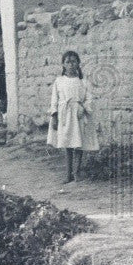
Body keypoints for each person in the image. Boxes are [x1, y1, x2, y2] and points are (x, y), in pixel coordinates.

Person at [47, 50, 99, 183]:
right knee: (67, 144)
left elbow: (89, 98)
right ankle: (68, 174)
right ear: (63, 65)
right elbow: (54, 100)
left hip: (78, 114)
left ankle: (77, 172)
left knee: (78, 144)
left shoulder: (83, 82)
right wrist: (54, 116)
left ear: (78, 64)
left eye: (73, 62)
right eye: (67, 62)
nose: (71, 65)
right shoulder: (59, 81)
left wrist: (84, 108)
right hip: (64, 115)